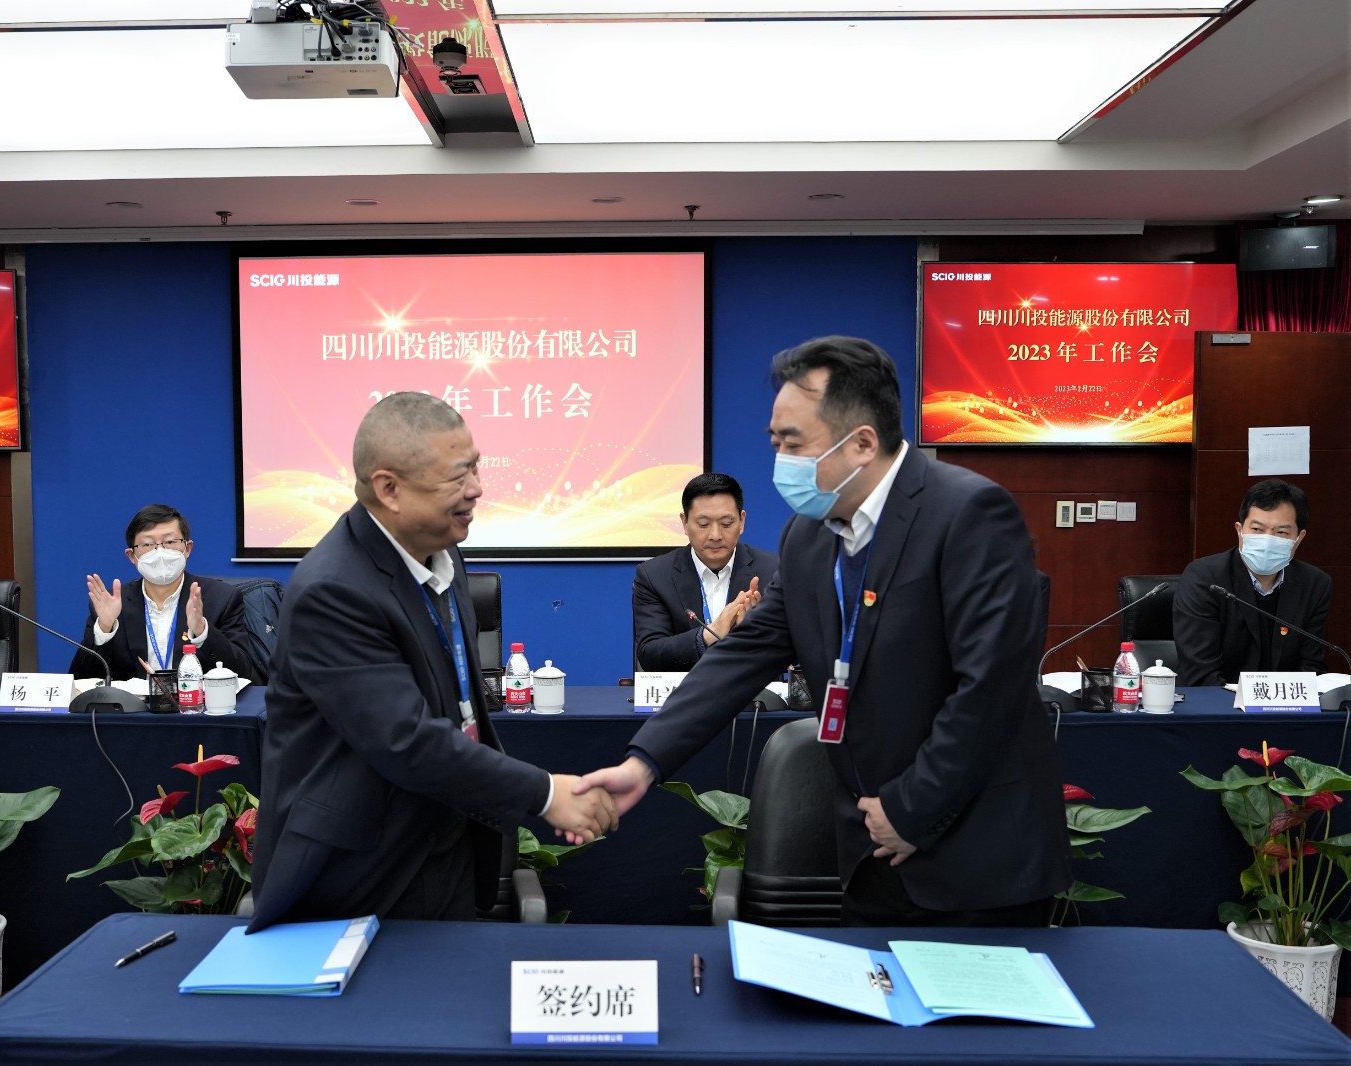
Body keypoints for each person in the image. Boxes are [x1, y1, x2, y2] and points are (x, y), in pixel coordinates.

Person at [577, 336, 1069, 927]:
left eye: (793, 444)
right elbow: (743, 654)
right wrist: (644, 762)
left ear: (862, 442)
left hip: (972, 853)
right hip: (867, 851)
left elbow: (989, 690)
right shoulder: (807, 537)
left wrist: (909, 809)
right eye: (775, 443)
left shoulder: (968, 513)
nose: (780, 461)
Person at [247, 392, 614, 930]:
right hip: (359, 872)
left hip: (444, 846)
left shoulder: (442, 554)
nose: (477, 488)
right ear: (389, 489)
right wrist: (545, 794)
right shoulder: (334, 590)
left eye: (476, 467)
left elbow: (457, 709)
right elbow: (407, 741)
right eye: (457, 476)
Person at [69, 504, 258, 682]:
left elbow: (242, 672)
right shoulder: (112, 604)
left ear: (187, 548)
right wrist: (104, 629)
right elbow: (81, 679)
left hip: (198, 704)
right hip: (133, 706)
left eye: (170, 542)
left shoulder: (221, 598)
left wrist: (202, 632)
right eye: (147, 544)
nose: (159, 551)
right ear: (132, 556)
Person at [1172, 479, 1332, 687]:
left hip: (1285, 704)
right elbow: (1201, 673)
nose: (1268, 540)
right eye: (1257, 529)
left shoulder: (1314, 585)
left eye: (1281, 532)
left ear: (1298, 538)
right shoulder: (1205, 578)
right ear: (1239, 530)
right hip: (1215, 701)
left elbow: (1311, 669)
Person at [632, 472, 778, 671]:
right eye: (703, 524)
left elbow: (796, 648)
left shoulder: (773, 572)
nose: (715, 535)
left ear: (742, 522)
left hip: (753, 688)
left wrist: (755, 632)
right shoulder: (654, 576)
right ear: (684, 523)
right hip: (684, 689)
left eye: (726, 524)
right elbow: (650, 653)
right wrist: (709, 634)